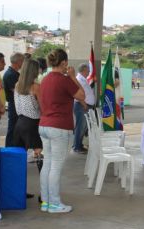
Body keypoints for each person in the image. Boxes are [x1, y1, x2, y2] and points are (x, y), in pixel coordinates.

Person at [38, 49, 85, 213]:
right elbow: (82, 95)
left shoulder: (44, 80)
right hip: (58, 127)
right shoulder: (64, 80)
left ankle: (45, 201)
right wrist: (73, 77)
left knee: (48, 164)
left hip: (44, 125)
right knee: (56, 166)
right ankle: (55, 204)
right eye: (67, 63)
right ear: (64, 62)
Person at [13, 59, 43, 199]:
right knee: (40, 156)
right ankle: (44, 193)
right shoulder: (36, 87)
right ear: (34, 71)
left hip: (20, 123)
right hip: (32, 124)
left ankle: (18, 191)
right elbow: (43, 108)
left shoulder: (17, 85)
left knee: (19, 159)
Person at [72, 63, 95, 154]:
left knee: (83, 127)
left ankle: (79, 145)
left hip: (84, 106)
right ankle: (76, 147)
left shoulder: (83, 79)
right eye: (88, 70)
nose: (89, 71)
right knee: (80, 127)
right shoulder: (79, 80)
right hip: (81, 106)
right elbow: (77, 95)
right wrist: (85, 104)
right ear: (83, 70)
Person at [3, 52, 25, 147]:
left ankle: (14, 149)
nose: (23, 64)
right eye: (23, 61)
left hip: (16, 104)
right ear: (18, 61)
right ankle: (10, 150)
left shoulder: (14, 73)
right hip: (14, 105)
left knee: (17, 129)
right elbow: (18, 91)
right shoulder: (11, 74)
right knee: (13, 129)